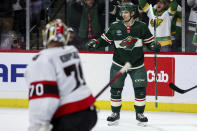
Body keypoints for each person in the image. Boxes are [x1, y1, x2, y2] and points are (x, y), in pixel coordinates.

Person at [85, 3, 161, 126]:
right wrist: (95, 43)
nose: (123, 14)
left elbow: (150, 42)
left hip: (137, 65)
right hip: (118, 64)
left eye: (126, 12)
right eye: (122, 12)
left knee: (140, 89)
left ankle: (140, 114)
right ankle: (115, 113)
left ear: (132, 13)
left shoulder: (141, 27)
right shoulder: (115, 26)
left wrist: (154, 46)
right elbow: (105, 40)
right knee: (115, 90)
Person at [25, 19, 97, 131]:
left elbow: (46, 98)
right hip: (90, 113)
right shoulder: (72, 51)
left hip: (69, 117)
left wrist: (38, 124)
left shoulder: (42, 59)